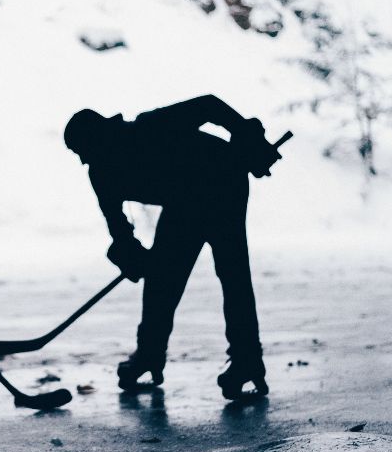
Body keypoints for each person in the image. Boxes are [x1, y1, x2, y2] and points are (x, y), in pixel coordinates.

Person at [63, 95, 282, 400]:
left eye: (85, 151)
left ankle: (248, 362)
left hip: (221, 183)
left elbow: (208, 105)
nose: (84, 161)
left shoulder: (148, 127)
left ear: (106, 137)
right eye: (79, 155)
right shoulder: (101, 173)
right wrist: (130, 253)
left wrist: (245, 133)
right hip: (183, 204)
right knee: (161, 282)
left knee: (233, 276)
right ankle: (150, 355)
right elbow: (118, 226)